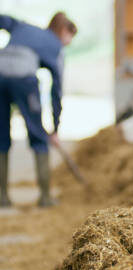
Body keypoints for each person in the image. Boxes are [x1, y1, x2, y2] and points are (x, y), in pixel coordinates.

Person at [0, 12, 77, 207]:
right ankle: (45, 197)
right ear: (63, 31)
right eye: (71, 37)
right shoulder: (56, 47)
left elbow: (4, 20)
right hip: (24, 79)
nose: (69, 42)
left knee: (1, 136)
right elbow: (56, 90)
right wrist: (54, 128)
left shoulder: (24, 26)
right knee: (38, 136)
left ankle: (2, 197)